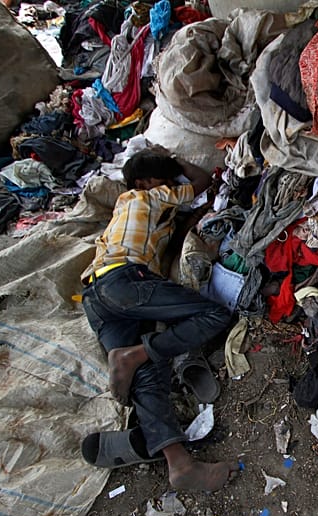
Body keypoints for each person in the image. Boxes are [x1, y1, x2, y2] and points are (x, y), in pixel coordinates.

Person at [80, 147, 237, 491]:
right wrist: (174, 159)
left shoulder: (135, 213)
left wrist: (189, 223)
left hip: (96, 297)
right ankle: (133, 355)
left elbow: (167, 243)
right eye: (162, 180)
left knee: (147, 375)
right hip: (123, 281)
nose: (169, 185)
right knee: (215, 313)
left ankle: (180, 464)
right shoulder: (145, 196)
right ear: (142, 182)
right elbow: (202, 181)